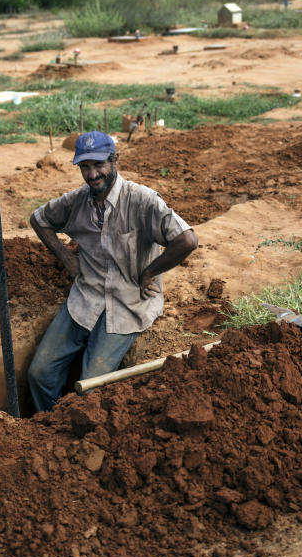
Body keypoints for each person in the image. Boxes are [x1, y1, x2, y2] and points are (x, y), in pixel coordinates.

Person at [28, 131, 198, 412]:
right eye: (85, 167)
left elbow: (187, 239)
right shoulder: (76, 201)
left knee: (89, 388)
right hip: (85, 298)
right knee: (39, 374)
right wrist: (66, 259)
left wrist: (149, 272)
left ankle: (75, 436)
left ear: (115, 159)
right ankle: (47, 427)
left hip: (127, 303)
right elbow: (38, 219)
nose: (92, 174)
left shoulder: (142, 200)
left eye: (99, 165)